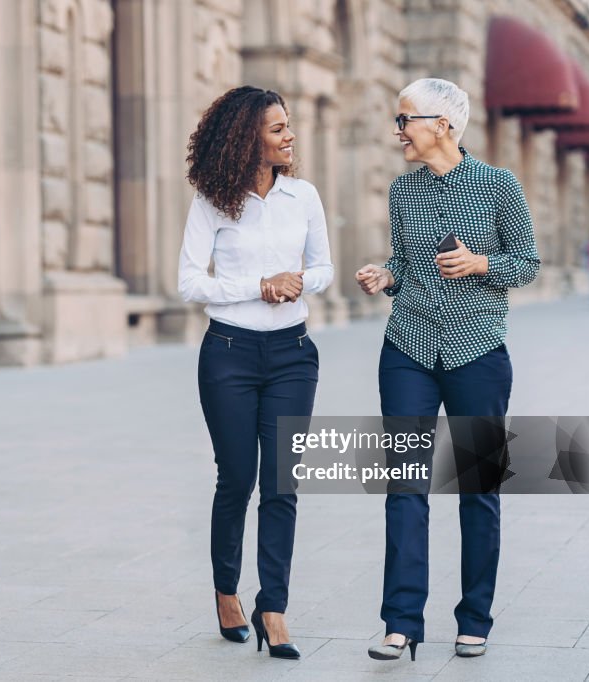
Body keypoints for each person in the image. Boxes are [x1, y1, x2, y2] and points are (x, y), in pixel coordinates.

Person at [355, 78, 539, 661]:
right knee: (405, 486)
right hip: (407, 350)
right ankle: (401, 621)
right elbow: (406, 264)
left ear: (442, 125)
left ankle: (474, 617)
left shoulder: (498, 185)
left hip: (477, 353)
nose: (397, 130)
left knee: (477, 489)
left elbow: (527, 262)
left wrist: (481, 262)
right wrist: (386, 275)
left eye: (404, 119)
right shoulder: (402, 193)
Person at [178, 85, 334, 660]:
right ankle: (226, 592)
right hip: (229, 355)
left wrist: (297, 280)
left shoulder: (304, 197)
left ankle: (275, 608)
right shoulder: (212, 202)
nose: (289, 135)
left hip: (293, 354)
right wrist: (257, 285)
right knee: (237, 478)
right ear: (248, 139)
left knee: (283, 484)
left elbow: (323, 267)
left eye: (288, 125)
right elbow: (190, 282)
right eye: (277, 128)